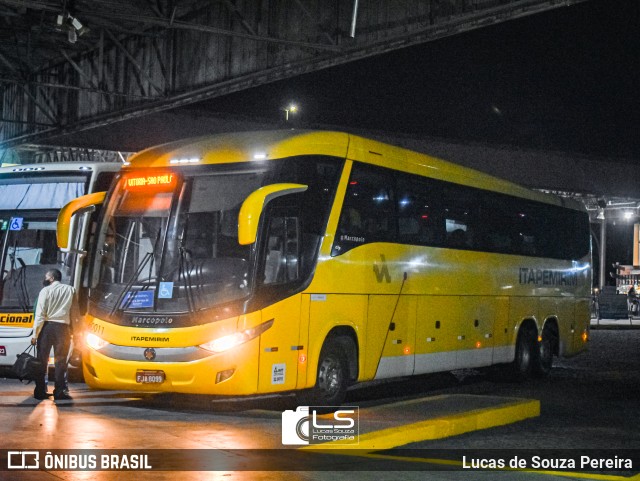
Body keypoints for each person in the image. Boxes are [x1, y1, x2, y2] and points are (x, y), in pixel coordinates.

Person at [30, 269, 78, 401]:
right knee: (61, 361)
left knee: (42, 360)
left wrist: (35, 334)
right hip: (63, 329)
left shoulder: (45, 291)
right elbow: (75, 314)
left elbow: (40, 315)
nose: (44, 279)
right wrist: (75, 331)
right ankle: (59, 391)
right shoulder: (71, 290)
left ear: (51, 278)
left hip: (46, 328)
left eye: (46, 276)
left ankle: (40, 391)